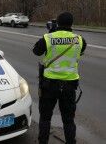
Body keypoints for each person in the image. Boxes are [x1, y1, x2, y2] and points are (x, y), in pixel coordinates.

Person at [32, 12, 87, 144]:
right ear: (71, 23)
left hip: (49, 85)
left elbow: (36, 51)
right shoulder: (79, 39)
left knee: (45, 118)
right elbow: (81, 51)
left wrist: (51, 32)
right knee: (68, 120)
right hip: (69, 86)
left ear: (57, 22)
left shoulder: (48, 38)